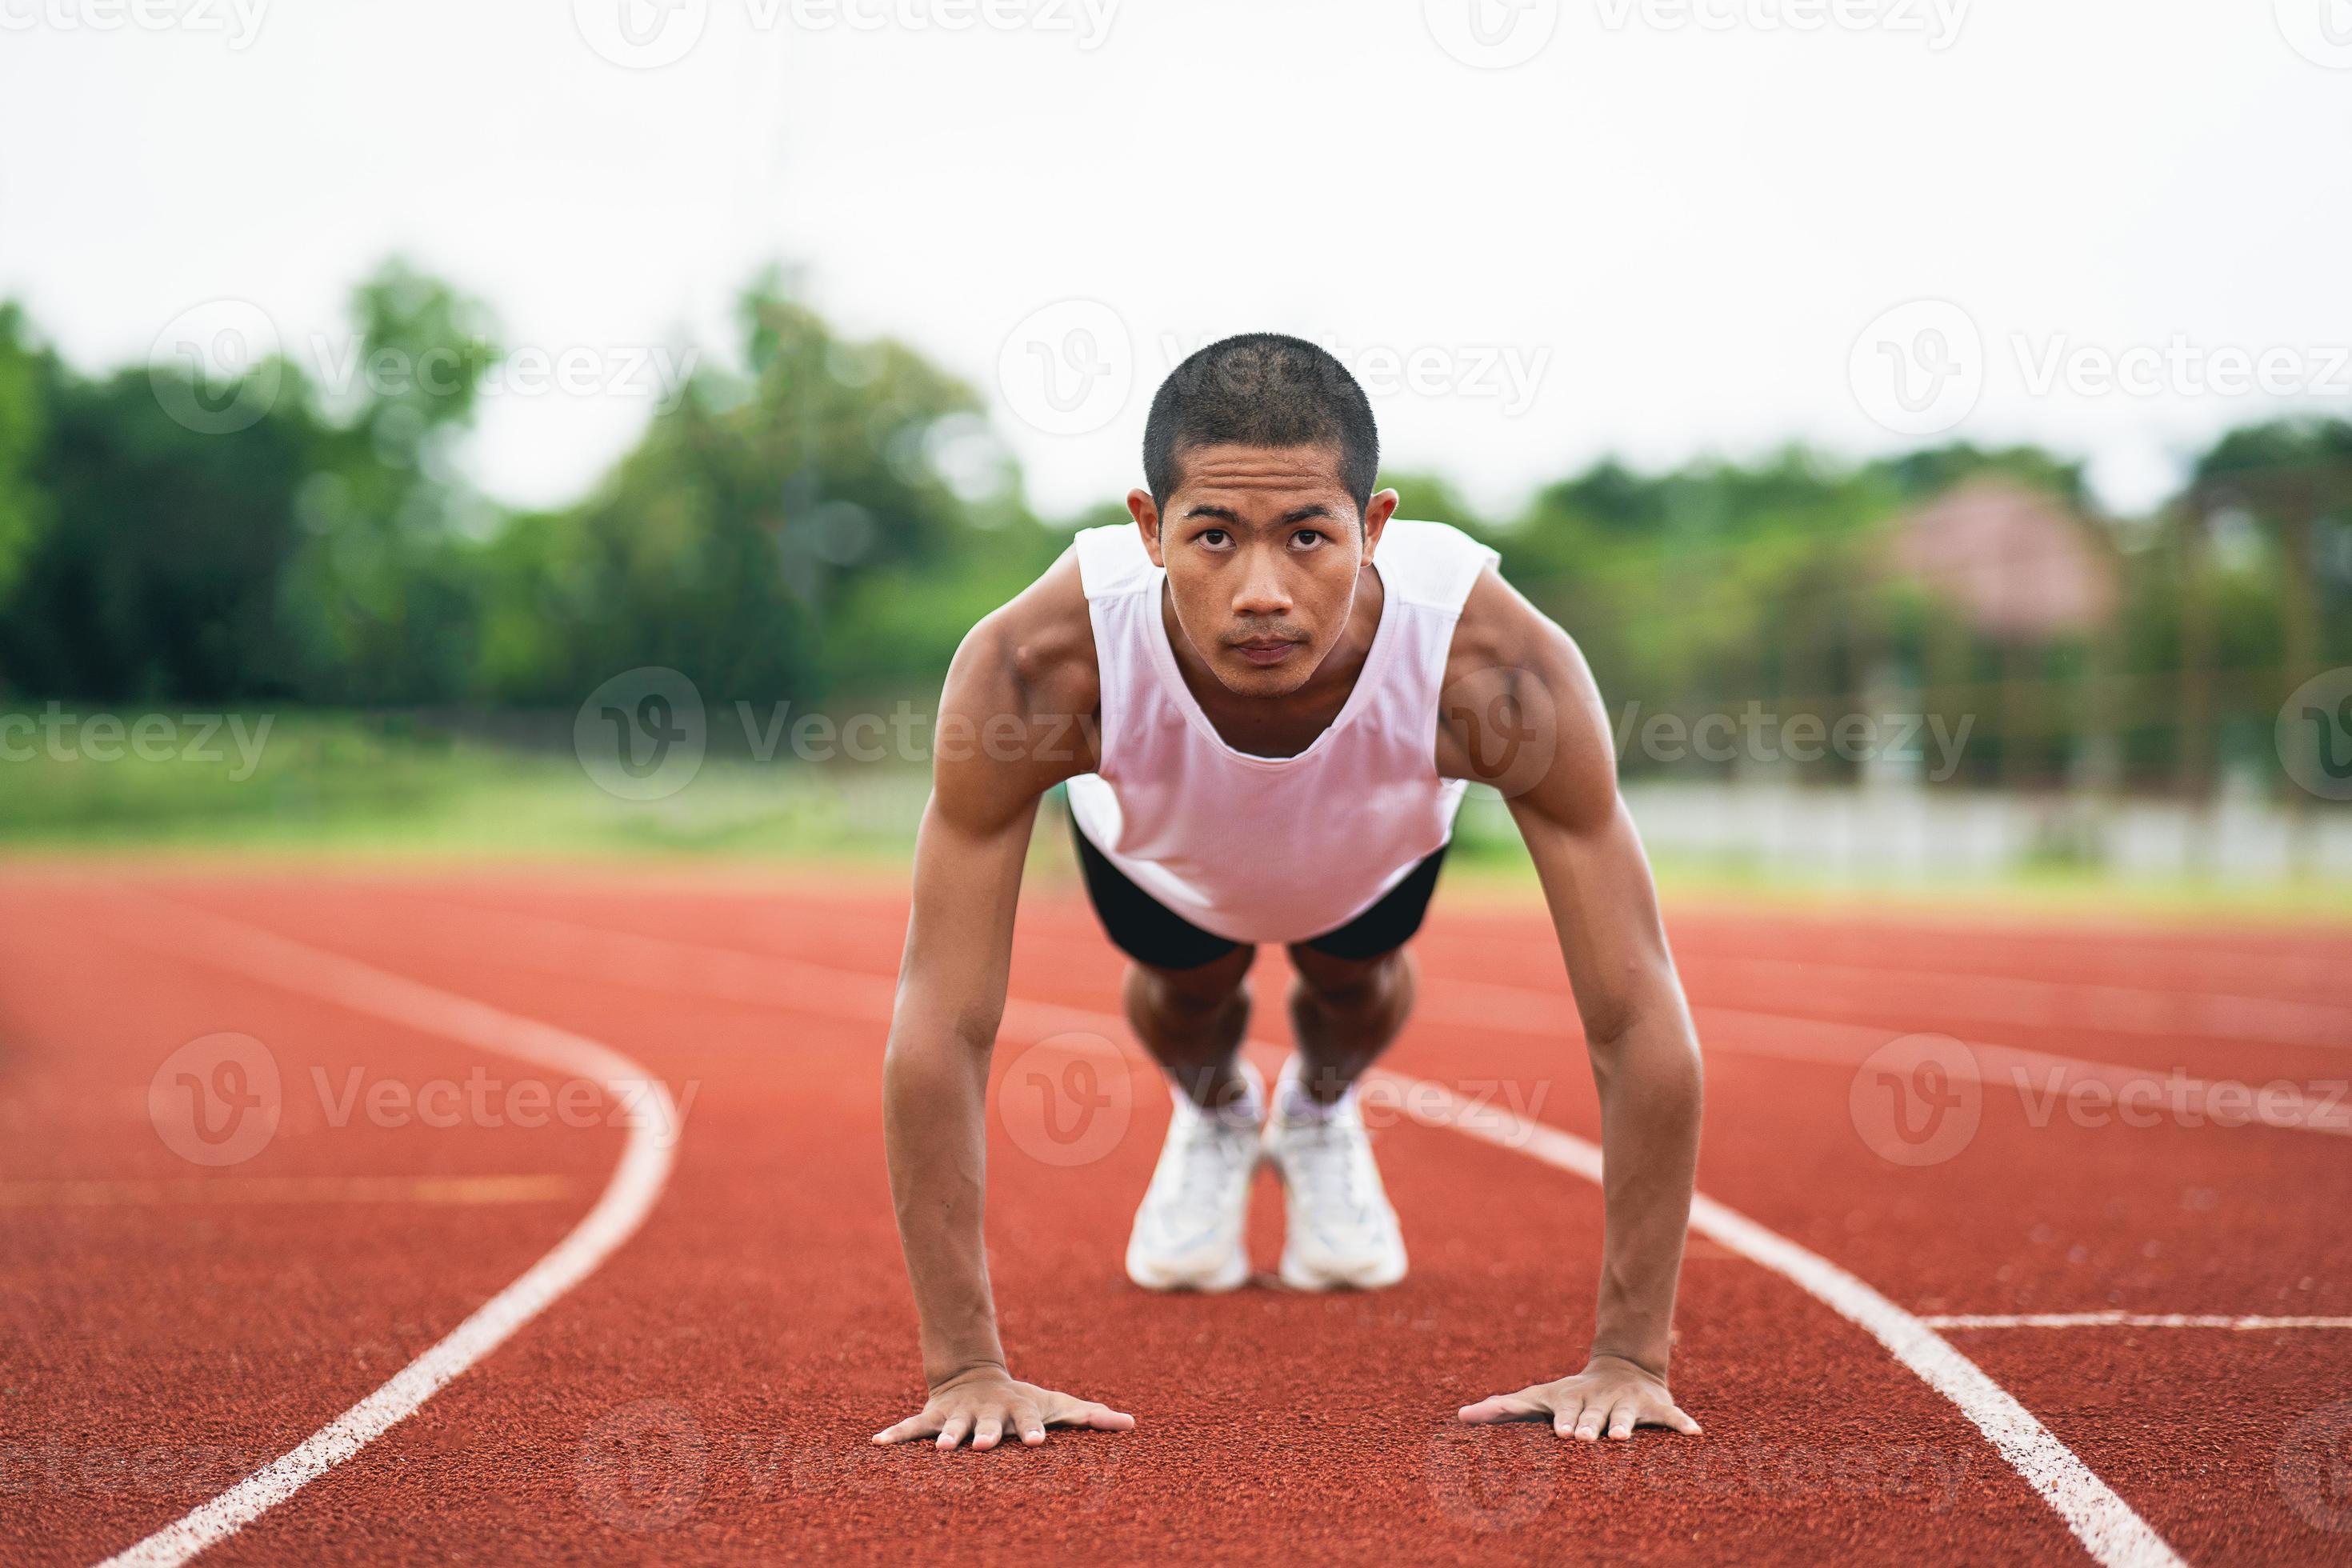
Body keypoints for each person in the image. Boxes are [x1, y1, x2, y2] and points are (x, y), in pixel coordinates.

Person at [873, 333, 1705, 1453]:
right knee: (1188, 998)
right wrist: (966, 1369)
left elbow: (1636, 1006)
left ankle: (1314, 1111)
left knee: (1355, 989)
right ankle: (1218, 1115)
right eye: (1212, 536)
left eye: (1307, 536)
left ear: (1374, 528)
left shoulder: (1492, 667)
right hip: (1162, 864)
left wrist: (1629, 1359)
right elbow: (944, 1015)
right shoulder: (1038, 664)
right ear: (1146, 528)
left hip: (1369, 857)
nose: (1262, 592)